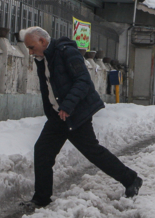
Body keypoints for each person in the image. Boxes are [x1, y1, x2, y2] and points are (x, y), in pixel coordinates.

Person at [19, 27, 142, 210]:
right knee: (42, 152)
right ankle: (41, 199)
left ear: (42, 42)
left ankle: (131, 179)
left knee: (93, 152)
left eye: (31, 47)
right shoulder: (42, 58)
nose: (30, 52)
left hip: (76, 113)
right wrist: (54, 111)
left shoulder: (66, 52)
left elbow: (83, 81)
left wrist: (68, 106)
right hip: (57, 116)